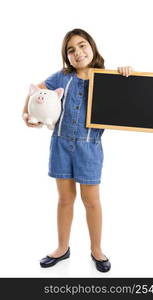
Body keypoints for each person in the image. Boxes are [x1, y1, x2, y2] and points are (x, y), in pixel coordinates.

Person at [22, 28, 133, 272]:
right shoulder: (62, 77)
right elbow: (36, 89)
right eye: (71, 50)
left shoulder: (107, 78)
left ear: (92, 46)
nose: (78, 52)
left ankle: (96, 250)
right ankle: (62, 248)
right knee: (65, 199)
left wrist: (126, 73)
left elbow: (129, 95)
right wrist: (26, 114)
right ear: (66, 56)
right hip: (60, 145)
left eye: (82, 45)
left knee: (91, 201)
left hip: (89, 148)